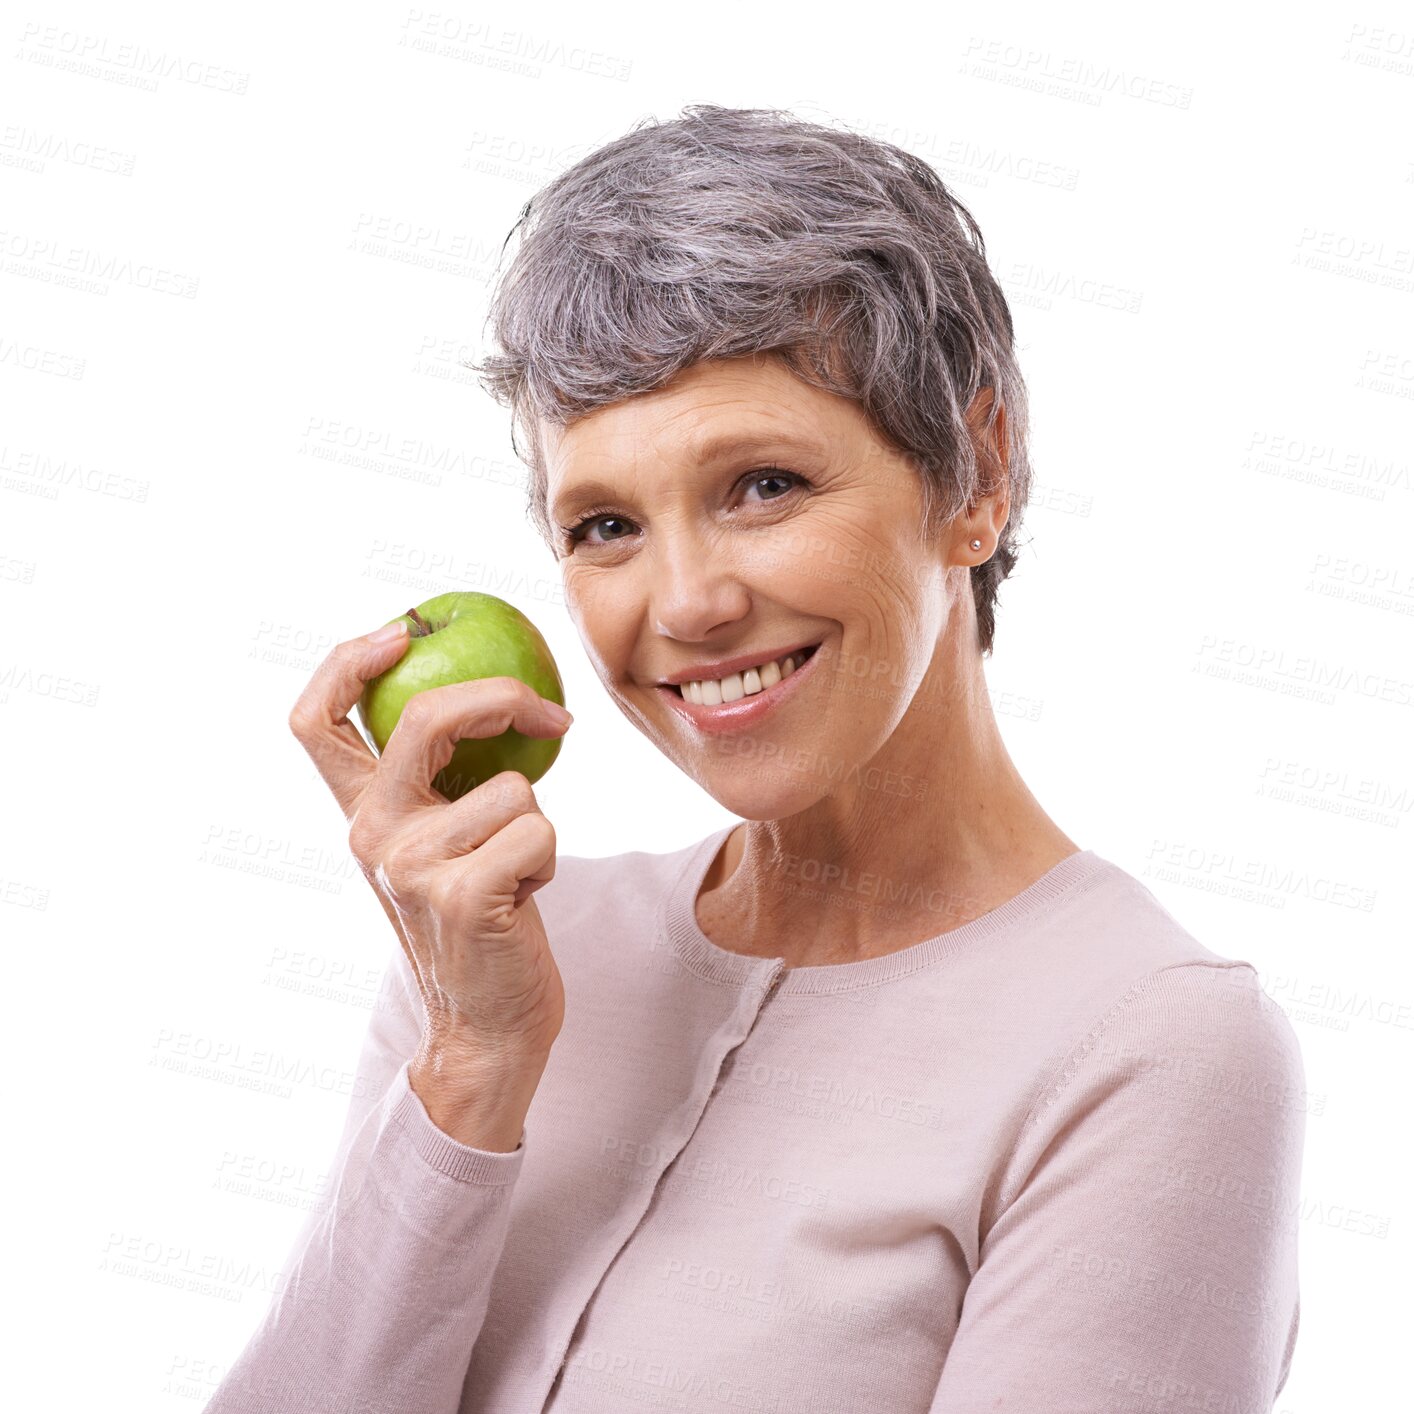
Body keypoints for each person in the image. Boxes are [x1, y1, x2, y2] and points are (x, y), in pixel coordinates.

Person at [205, 104, 1305, 1413]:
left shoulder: (1148, 1047)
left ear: (977, 478)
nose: (684, 603)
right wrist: (470, 1062)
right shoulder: (502, 961)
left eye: (764, 484)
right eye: (605, 522)